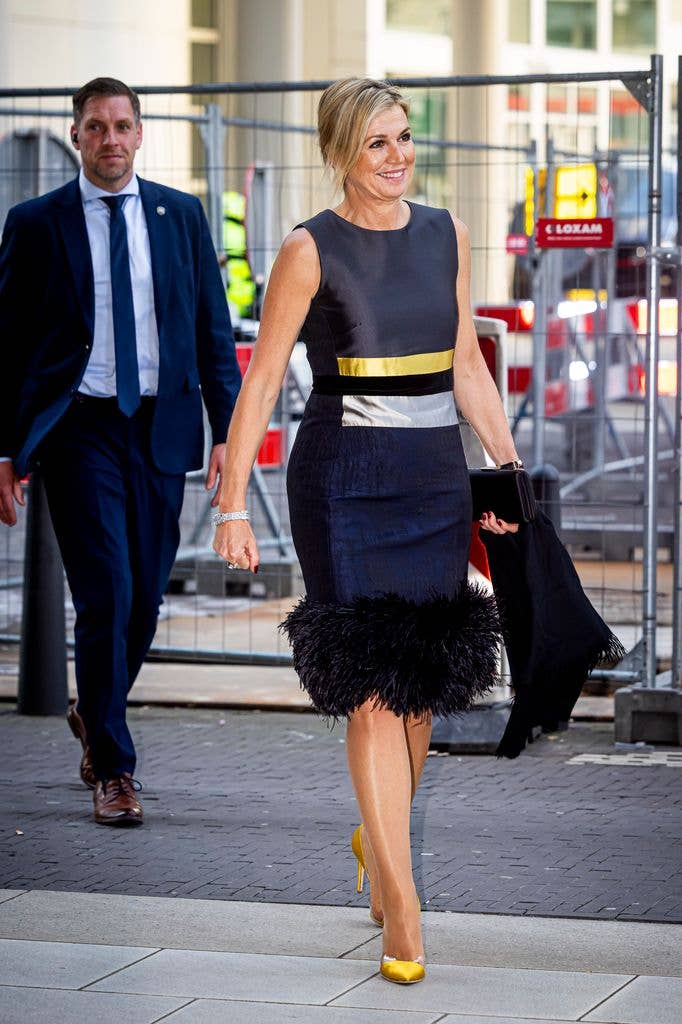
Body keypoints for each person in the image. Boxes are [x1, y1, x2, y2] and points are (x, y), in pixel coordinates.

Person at [212, 78, 519, 984]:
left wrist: (505, 472)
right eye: (377, 144)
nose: (397, 159)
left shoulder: (446, 234)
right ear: (341, 150)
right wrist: (232, 503)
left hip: (432, 482)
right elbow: (263, 382)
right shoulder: (310, 249)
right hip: (344, 482)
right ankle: (405, 910)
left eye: (405, 139)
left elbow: (466, 363)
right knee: (378, 693)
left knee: (421, 690)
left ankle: (376, 843)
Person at [0, 77, 241, 827]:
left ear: (141, 135)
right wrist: (4, 451)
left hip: (161, 427)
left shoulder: (180, 216)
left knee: (144, 596)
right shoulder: (37, 222)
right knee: (105, 589)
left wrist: (231, 433)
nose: (111, 139)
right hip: (79, 430)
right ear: (77, 136)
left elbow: (212, 334)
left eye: (123, 126)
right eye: (96, 127)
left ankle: (93, 707)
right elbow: (6, 347)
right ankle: (115, 767)